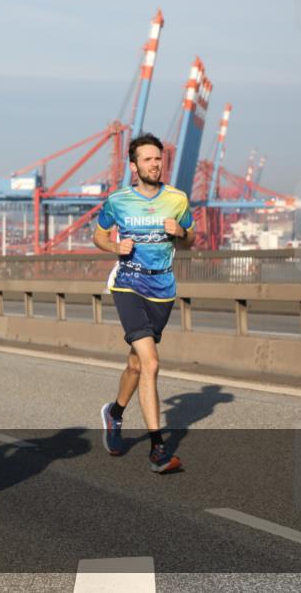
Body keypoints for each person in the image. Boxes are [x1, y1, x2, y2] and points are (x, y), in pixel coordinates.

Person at [94, 132, 195, 474]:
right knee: (151, 363)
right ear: (133, 166)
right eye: (148, 159)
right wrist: (113, 248)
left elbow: (191, 242)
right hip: (128, 285)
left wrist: (180, 233)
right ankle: (158, 449)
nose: (155, 164)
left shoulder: (178, 200)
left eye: (158, 158)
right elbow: (98, 234)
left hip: (163, 287)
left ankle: (115, 414)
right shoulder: (118, 200)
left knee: (137, 365)